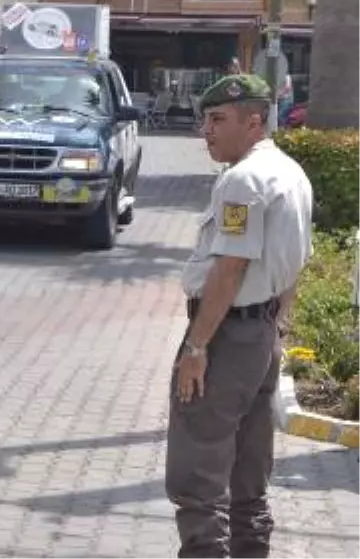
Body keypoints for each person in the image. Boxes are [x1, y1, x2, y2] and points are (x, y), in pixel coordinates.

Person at [167, 73, 313, 558]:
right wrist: (278, 324)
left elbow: (229, 271)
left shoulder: (243, 180)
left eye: (218, 120)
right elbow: (293, 262)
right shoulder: (291, 172)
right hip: (261, 334)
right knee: (249, 472)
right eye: (205, 120)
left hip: (227, 337)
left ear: (254, 122)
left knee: (198, 476)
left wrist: (196, 347)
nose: (206, 131)